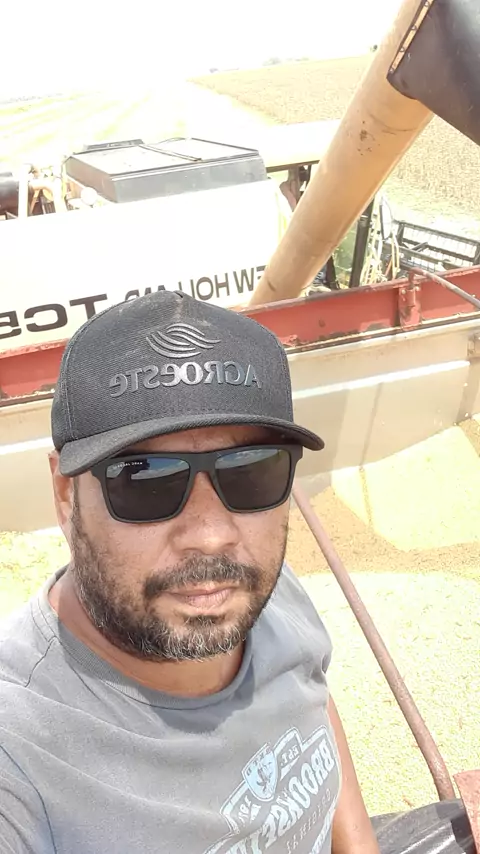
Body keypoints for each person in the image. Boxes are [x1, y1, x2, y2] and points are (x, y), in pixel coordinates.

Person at [0, 290, 380, 854]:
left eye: (252, 471)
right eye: (146, 479)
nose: (210, 535)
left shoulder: (262, 592)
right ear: (64, 493)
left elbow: (309, 702)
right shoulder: (21, 751)